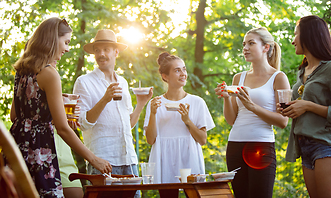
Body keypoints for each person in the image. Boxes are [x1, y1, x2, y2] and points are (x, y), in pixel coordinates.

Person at [9, 17, 112, 198]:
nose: (67, 48)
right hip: (41, 154)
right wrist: (93, 159)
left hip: (17, 151)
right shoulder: (49, 73)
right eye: (66, 42)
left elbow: (14, 116)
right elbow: (63, 128)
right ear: (51, 40)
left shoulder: (22, 71)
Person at [282, 15, 331, 198]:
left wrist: (308, 106)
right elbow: (301, 109)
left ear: (309, 35)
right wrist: (289, 109)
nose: (292, 41)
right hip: (305, 146)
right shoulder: (302, 73)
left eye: (295, 34)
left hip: (327, 145)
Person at [214, 27, 290, 198]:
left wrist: (252, 106)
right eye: (244, 44)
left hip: (261, 147)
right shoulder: (238, 78)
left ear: (266, 47)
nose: (245, 48)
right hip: (235, 145)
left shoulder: (279, 77)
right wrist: (226, 98)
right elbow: (231, 119)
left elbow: (283, 121)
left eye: (251, 43)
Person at [73, 29, 152, 182]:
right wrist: (105, 99)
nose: (101, 54)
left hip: (129, 161)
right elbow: (82, 123)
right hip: (103, 162)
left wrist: (141, 104)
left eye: (106, 49)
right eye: (97, 50)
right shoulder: (84, 82)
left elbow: (127, 125)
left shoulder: (122, 82)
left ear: (116, 52)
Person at [144, 52, 215, 184]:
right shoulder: (155, 103)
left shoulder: (197, 102)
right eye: (177, 70)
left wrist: (187, 120)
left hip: (189, 158)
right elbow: (150, 139)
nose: (183, 74)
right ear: (165, 76)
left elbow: (202, 139)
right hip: (163, 159)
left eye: (184, 69)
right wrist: (153, 113)